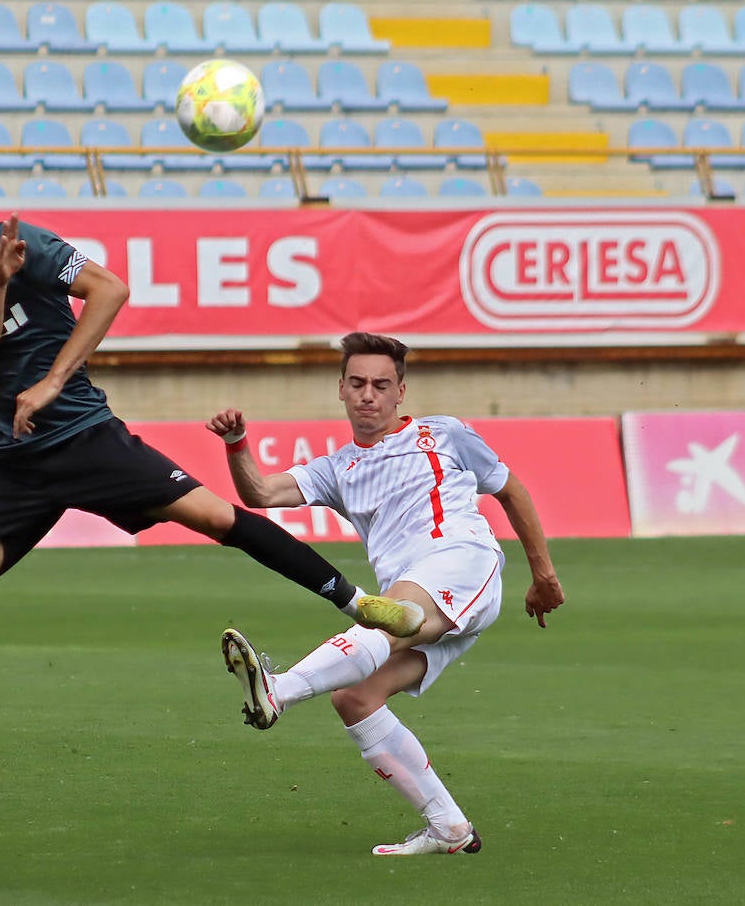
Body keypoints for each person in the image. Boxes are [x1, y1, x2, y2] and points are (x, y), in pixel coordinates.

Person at [0, 171, 420, 845]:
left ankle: (357, 603)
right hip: (8, 465)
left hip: (85, 439)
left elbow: (110, 289)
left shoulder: (28, 244)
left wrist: (55, 381)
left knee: (218, 519)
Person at [208, 331, 566, 856]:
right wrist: (236, 444)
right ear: (341, 390)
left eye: (380, 384)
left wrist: (544, 575)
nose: (368, 394)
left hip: (463, 561)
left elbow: (510, 489)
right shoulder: (336, 469)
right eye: (357, 383)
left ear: (401, 390)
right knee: (354, 696)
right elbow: (259, 493)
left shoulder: (444, 434)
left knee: (388, 617)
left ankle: (277, 691)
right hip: (417, 601)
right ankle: (448, 826)